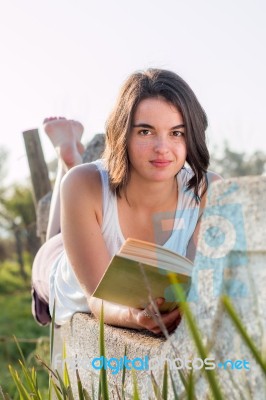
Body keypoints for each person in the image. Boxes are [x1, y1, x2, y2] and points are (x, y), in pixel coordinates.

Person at [31, 68, 221, 335]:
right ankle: (69, 164)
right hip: (65, 272)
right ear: (124, 134)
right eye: (145, 131)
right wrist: (134, 317)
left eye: (176, 133)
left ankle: (71, 157)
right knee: (55, 237)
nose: (162, 148)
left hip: (98, 233)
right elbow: (95, 297)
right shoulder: (82, 185)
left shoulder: (208, 190)